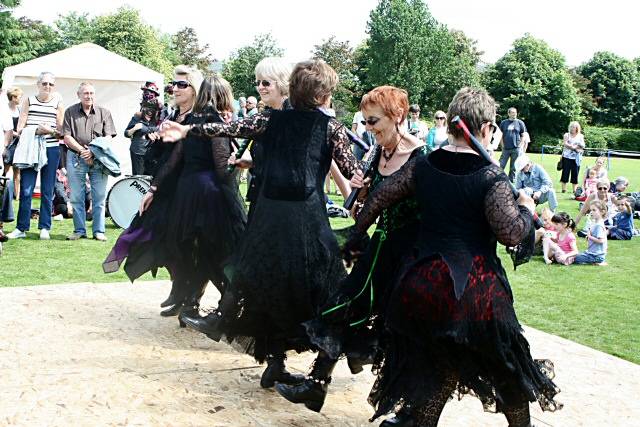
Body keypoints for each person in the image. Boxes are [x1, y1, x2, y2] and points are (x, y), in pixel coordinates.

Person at [341, 87, 560, 426]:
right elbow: (512, 234)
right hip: (475, 292)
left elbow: (379, 198)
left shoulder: (425, 165)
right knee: (508, 372)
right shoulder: (491, 177)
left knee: (438, 368)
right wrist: (526, 208)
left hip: (420, 285)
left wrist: (358, 232)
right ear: (486, 128)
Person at [164, 59, 363, 395]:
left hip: (272, 218)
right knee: (325, 291)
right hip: (305, 221)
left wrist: (188, 130)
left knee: (266, 287)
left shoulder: (270, 119)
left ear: (294, 87)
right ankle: (324, 361)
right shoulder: (330, 128)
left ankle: (274, 359)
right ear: (324, 92)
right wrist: (362, 176)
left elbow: (230, 128)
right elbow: (353, 168)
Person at [279, 86, 429, 412]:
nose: (369, 128)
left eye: (374, 121)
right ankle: (318, 383)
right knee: (343, 306)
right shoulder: (378, 153)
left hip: (408, 257)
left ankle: (405, 407)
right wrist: (359, 194)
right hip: (380, 247)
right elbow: (363, 210)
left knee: (397, 330)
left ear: (397, 116)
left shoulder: (421, 158)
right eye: (365, 121)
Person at [106, 74, 247, 328]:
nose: (177, 88)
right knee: (214, 252)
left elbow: (174, 161)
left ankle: (191, 303)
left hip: (187, 192)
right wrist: (237, 167)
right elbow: (220, 167)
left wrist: (153, 188)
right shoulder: (214, 123)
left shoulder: (193, 121)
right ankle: (208, 304)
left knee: (196, 251)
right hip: (207, 194)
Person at [6, 72, 64, 241]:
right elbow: (20, 129)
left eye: (51, 84)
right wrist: (37, 130)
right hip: (30, 148)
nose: (47, 87)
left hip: (51, 148)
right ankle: (21, 227)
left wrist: (51, 131)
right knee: (26, 189)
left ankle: (44, 227)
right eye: (44, 83)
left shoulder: (58, 103)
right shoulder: (29, 101)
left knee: (47, 190)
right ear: (38, 84)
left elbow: (61, 131)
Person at [62, 82, 117, 242]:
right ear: (78, 95)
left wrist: (93, 151)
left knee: (99, 196)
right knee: (77, 196)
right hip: (76, 157)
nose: (89, 96)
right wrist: (82, 151)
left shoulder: (104, 113)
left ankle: (99, 231)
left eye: (91, 93)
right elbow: (67, 136)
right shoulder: (70, 112)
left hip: (99, 159)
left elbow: (108, 136)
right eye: (85, 93)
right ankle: (79, 230)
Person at [124, 100, 160, 175]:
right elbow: (126, 133)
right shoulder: (137, 118)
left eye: (152, 109)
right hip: (138, 152)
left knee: (150, 176)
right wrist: (134, 128)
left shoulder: (156, 120)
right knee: (139, 176)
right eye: (147, 108)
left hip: (151, 153)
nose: (150, 111)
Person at [568, 201, 608, 265]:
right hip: (592, 253)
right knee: (575, 255)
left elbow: (601, 240)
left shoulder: (599, 225)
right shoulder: (596, 223)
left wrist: (589, 236)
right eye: (591, 210)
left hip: (596, 256)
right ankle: (596, 261)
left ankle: (598, 262)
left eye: (594, 210)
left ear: (602, 212)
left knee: (573, 258)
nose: (591, 212)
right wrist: (589, 237)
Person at [2, 87, 23, 199]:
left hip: (18, 144)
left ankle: (17, 195)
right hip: (9, 143)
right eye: (19, 97)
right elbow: (6, 128)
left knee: (17, 170)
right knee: (6, 169)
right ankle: (4, 192)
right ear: (13, 97)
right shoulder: (5, 110)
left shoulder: (19, 110)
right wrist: (16, 134)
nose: (20, 99)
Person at [498, 107, 527, 181]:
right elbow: (500, 135)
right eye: (513, 112)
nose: (515, 114)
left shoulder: (520, 123)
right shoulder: (503, 123)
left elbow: (523, 136)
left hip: (516, 148)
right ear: (509, 113)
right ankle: (498, 178)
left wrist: (520, 146)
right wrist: (502, 145)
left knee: (513, 167)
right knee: (501, 165)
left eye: (515, 112)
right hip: (506, 149)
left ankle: (511, 181)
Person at [559, 121, 585, 194]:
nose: (572, 128)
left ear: (577, 128)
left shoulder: (580, 136)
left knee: (575, 173)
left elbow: (583, 145)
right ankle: (563, 189)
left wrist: (576, 147)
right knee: (565, 173)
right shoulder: (566, 135)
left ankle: (574, 190)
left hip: (576, 158)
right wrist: (574, 148)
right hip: (566, 157)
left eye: (574, 127)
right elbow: (565, 144)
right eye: (571, 127)